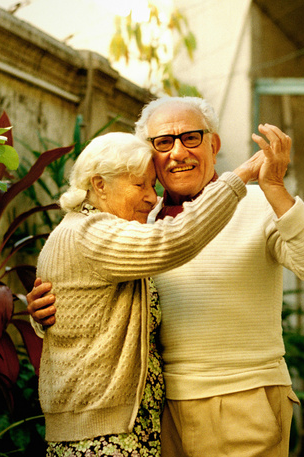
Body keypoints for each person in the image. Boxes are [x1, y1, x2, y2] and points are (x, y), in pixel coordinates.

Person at [29, 97, 304, 457]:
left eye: (191, 137)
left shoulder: (258, 204)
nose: (178, 152)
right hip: (158, 414)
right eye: (163, 142)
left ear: (214, 144)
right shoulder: (136, 220)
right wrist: (48, 311)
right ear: (148, 154)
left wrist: (273, 188)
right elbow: (100, 299)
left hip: (242, 398)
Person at [30, 131, 268, 456]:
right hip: (101, 439)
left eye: (153, 185)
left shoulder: (96, 231)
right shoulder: (90, 233)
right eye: (140, 184)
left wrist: (41, 315)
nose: (152, 197)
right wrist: (237, 179)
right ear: (99, 185)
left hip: (121, 430)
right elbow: (173, 240)